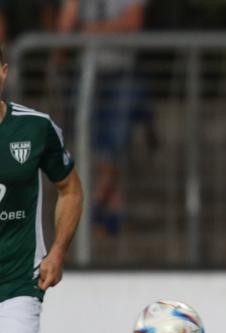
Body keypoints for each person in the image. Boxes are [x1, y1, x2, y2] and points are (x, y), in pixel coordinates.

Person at [0, 46, 83, 333]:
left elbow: (69, 188)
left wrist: (58, 251)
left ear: (4, 72)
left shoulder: (33, 127)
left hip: (17, 280)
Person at [57, 0, 147, 235]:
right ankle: (103, 207)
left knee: (115, 141)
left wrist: (91, 30)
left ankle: (99, 203)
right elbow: (65, 32)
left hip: (122, 72)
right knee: (87, 141)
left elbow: (133, 22)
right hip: (86, 73)